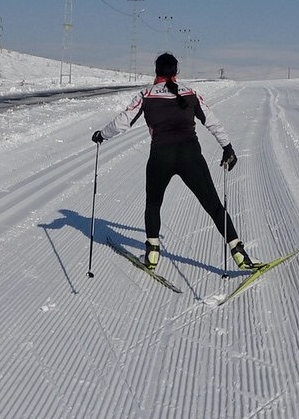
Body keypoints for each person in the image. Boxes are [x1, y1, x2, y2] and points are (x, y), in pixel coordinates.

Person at [90, 52, 260, 271]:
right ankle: (239, 253)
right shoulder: (190, 93)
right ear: (176, 72)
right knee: (214, 206)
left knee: (153, 203)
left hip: (161, 156)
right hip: (191, 156)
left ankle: (152, 254)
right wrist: (227, 147)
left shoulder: (146, 94)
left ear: (156, 71)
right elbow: (212, 121)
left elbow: (123, 121)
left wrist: (101, 135)